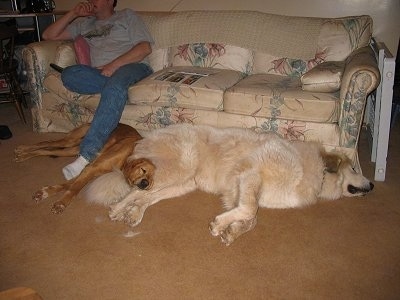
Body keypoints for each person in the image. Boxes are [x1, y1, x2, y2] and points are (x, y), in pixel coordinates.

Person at [42, 0, 153, 180]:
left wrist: (112, 66)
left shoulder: (127, 16)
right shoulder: (84, 23)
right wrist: (73, 13)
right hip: (101, 74)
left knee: (115, 84)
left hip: (131, 66)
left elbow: (144, 48)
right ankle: (116, 91)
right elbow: (48, 35)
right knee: (69, 74)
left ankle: (86, 155)